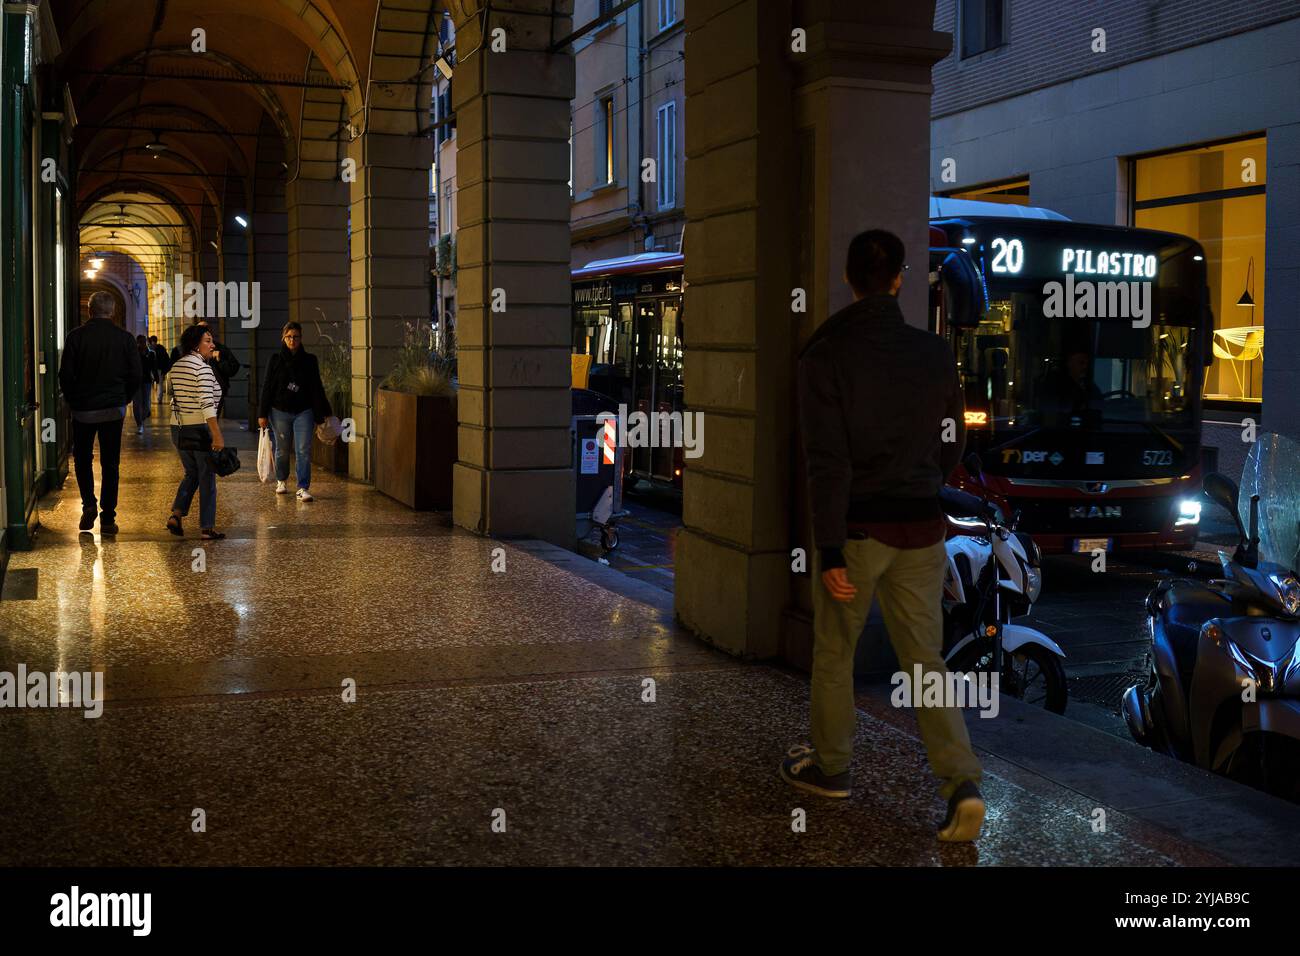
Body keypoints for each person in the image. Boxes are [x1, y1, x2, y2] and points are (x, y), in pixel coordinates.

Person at [785, 228, 985, 843]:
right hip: (921, 531)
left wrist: (832, 549)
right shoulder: (933, 354)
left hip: (859, 530)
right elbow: (952, 441)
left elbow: (827, 461)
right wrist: (927, 484)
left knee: (836, 653)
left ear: (850, 279)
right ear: (900, 279)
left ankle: (833, 768)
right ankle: (961, 786)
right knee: (925, 662)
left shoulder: (826, 356)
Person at [58, 292, 141, 535]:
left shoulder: (76, 337)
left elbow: (65, 375)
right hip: (113, 410)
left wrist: (75, 401)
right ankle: (108, 518)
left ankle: (89, 504)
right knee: (111, 463)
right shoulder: (125, 339)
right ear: (112, 311)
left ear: (90, 310)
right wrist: (123, 399)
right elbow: (135, 374)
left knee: (83, 459)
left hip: (83, 411)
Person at [165, 323, 226, 540]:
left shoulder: (177, 366)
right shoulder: (202, 369)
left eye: (212, 340)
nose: (212, 344)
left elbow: (170, 394)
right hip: (200, 429)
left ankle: (176, 514)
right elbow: (207, 404)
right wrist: (216, 433)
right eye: (207, 341)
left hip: (178, 428)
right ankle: (207, 527)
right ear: (196, 344)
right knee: (207, 476)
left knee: (192, 473)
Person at [258, 321, 331, 501]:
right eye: (289, 336)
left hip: (303, 411)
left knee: (303, 449)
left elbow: (316, 388)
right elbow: (267, 386)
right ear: (283, 338)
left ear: (300, 338)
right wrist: (262, 413)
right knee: (282, 450)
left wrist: (324, 412)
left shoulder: (309, 360)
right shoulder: (275, 360)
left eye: (296, 337)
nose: (292, 340)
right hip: (279, 411)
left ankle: (303, 487)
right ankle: (281, 480)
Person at [171, 319, 239, 416]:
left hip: (213, 392)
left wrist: (220, 361)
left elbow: (233, 368)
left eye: (206, 329)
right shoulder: (183, 350)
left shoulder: (220, 349)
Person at [132, 335, 156, 433]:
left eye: (143, 341)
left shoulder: (151, 353)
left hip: (146, 380)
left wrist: (156, 378)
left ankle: (142, 419)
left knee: (146, 403)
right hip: (136, 381)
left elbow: (154, 366)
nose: (141, 344)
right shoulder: (133, 353)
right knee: (137, 403)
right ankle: (140, 424)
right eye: (139, 342)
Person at [149, 335, 171, 404]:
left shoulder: (150, 348)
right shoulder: (161, 348)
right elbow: (166, 359)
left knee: (151, 384)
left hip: (153, 369)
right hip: (159, 369)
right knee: (160, 384)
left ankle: (151, 400)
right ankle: (159, 399)